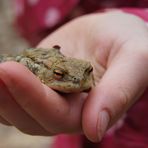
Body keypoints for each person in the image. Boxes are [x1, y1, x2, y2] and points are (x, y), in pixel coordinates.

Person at [0, 0, 148, 147]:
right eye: (59, 75)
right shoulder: (37, 68)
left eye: (88, 72)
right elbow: (24, 57)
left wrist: (142, 23)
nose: (78, 82)